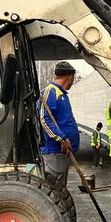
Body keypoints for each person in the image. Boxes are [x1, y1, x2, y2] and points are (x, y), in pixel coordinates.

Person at [38, 61, 80, 189]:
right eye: (73, 79)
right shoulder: (51, 92)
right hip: (55, 152)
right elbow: (44, 119)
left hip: (62, 152)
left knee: (60, 191)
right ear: (70, 77)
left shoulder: (60, 93)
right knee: (53, 190)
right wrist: (61, 138)